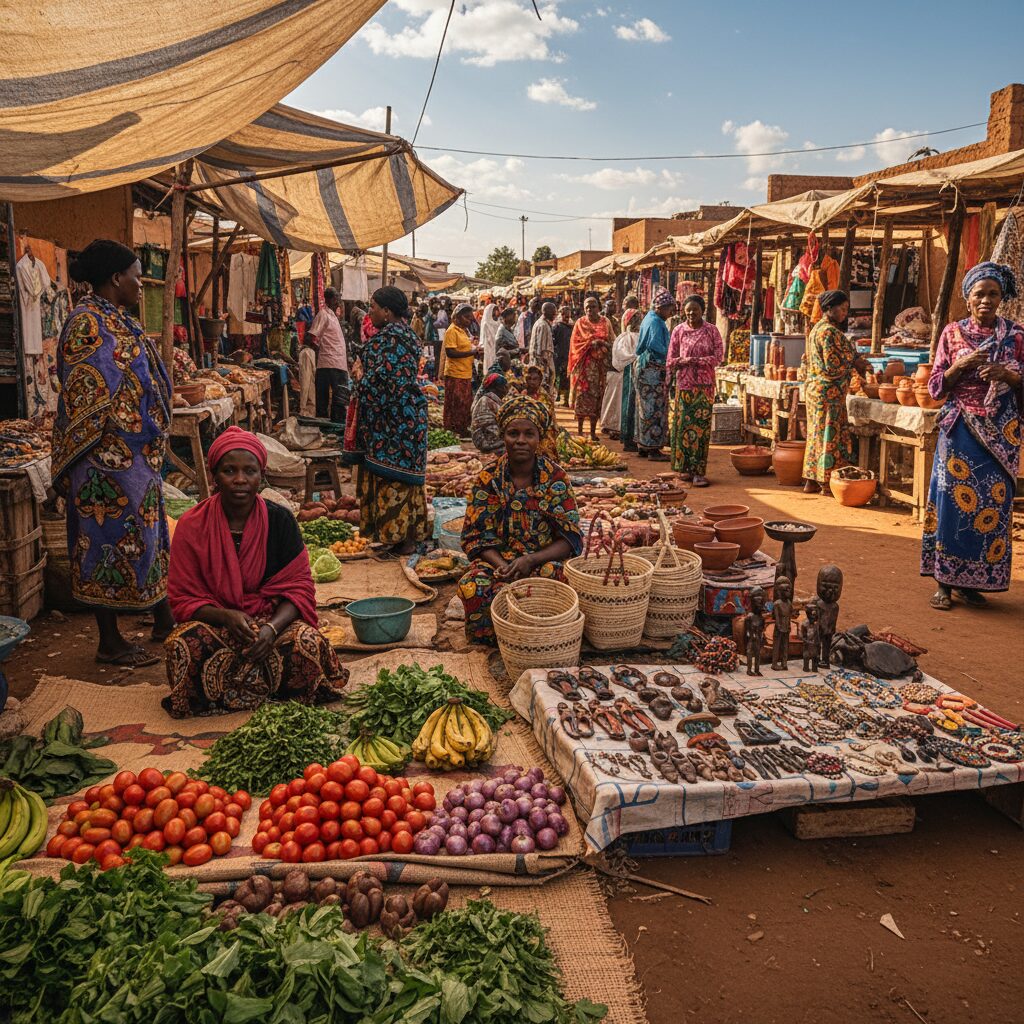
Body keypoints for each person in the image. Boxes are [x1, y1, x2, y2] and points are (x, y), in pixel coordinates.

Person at [163, 427, 347, 716]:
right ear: (215, 476)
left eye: (249, 471)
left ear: (261, 476)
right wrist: (226, 615)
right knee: (182, 645)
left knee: (306, 642)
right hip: (217, 622)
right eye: (229, 471)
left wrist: (271, 629)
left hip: (269, 622)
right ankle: (213, 699)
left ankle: (281, 696)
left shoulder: (280, 520)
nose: (239, 480)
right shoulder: (191, 525)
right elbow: (183, 597)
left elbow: (299, 588)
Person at [52, 239, 174, 667]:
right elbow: (89, 390)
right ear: (115, 278)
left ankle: (163, 618)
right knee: (105, 542)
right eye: (138, 278)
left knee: (150, 534)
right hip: (102, 460)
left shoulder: (115, 317)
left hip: (135, 456)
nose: (142, 286)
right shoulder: (86, 322)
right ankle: (109, 641)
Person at [922, 262, 1023, 611]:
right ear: (967, 299)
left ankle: (972, 582)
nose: (986, 300)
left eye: (993, 294)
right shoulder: (952, 334)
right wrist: (961, 366)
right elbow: (935, 387)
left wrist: (1006, 376)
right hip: (960, 432)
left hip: (1000, 439)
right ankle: (944, 584)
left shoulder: (1016, 336)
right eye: (979, 294)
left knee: (991, 508)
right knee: (952, 505)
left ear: (1001, 298)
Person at [458, 395, 583, 645]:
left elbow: (570, 537)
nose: (521, 441)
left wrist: (530, 560)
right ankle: (500, 640)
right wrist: (502, 565)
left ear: (540, 438)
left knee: (565, 583)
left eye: (529, 434)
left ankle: (546, 639)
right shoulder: (488, 478)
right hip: (498, 564)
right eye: (513, 433)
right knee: (474, 585)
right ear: (503, 435)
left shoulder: (555, 478)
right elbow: (475, 536)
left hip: (541, 561)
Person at [347, 287, 430, 553]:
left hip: (393, 426)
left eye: (373, 307)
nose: (370, 312)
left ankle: (400, 540)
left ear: (387, 311)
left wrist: (360, 376)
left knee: (393, 482)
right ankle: (405, 539)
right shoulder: (405, 335)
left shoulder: (390, 340)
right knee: (406, 483)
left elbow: (384, 383)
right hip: (407, 420)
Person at [801, 289, 871, 493]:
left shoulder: (817, 329)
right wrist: (854, 364)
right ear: (829, 308)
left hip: (816, 391)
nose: (844, 313)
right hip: (828, 394)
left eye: (847, 309)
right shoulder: (830, 332)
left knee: (816, 435)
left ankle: (810, 480)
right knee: (829, 437)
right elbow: (832, 366)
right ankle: (826, 482)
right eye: (842, 308)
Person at [666, 295, 724, 485]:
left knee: (701, 430)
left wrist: (697, 361)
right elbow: (671, 360)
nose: (691, 313)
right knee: (682, 427)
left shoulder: (711, 331)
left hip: (704, 388)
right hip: (684, 386)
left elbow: (718, 357)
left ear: (702, 311)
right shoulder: (678, 331)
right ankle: (683, 469)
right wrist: (684, 362)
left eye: (695, 310)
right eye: (688, 310)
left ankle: (698, 471)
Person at [633, 289, 676, 461]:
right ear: (660, 307)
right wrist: (673, 358)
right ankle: (653, 448)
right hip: (651, 370)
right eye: (669, 309)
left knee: (644, 408)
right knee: (654, 408)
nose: (671, 312)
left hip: (644, 368)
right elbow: (658, 347)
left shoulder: (650, 318)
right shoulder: (656, 322)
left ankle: (643, 445)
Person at [568, 296, 615, 439]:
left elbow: (612, 341)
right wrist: (590, 343)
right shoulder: (580, 323)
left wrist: (603, 344)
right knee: (582, 397)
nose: (590, 309)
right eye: (587, 307)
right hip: (584, 368)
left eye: (593, 306)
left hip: (601, 367)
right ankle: (581, 431)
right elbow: (575, 344)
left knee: (598, 397)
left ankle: (594, 432)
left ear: (598, 307)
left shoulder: (606, 322)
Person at [308, 287, 348, 423]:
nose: (338, 301)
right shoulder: (323, 314)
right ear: (329, 299)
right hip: (328, 362)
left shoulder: (332, 315)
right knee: (325, 398)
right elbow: (311, 336)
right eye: (336, 298)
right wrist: (320, 351)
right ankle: (323, 426)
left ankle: (335, 425)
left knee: (339, 398)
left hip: (337, 362)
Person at [603, 307, 640, 439]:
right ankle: (620, 429)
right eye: (635, 319)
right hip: (625, 375)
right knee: (622, 404)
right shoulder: (625, 338)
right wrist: (636, 358)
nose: (638, 322)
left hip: (629, 374)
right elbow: (621, 357)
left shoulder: (629, 337)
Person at [441, 303, 479, 435]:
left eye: (470, 318)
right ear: (458, 317)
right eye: (467, 318)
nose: (469, 321)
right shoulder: (451, 331)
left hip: (465, 372)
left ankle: (462, 427)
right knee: (456, 402)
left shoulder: (463, 331)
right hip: (455, 373)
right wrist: (472, 353)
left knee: (464, 402)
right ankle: (454, 428)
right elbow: (451, 352)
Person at [523, 364, 559, 460]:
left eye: (535, 379)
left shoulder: (545, 397)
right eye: (529, 379)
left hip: (542, 431)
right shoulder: (520, 395)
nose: (532, 382)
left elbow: (550, 419)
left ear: (540, 381)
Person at [470, 373, 509, 454]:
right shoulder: (486, 401)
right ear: (498, 388)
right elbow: (489, 430)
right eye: (505, 386)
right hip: (486, 442)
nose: (507, 389)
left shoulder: (490, 399)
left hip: (486, 440)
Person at [529, 301, 557, 392]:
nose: (555, 314)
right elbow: (542, 351)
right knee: (543, 391)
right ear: (546, 312)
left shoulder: (540, 323)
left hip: (539, 364)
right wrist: (546, 370)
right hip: (542, 366)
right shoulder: (543, 325)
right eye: (553, 312)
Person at [552, 304, 573, 405]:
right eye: (565, 315)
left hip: (568, 356)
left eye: (568, 316)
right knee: (557, 377)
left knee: (566, 378)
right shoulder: (556, 327)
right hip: (558, 357)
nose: (566, 317)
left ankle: (565, 400)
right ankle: (557, 397)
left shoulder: (571, 327)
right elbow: (553, 342)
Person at [297, 328, 317, 417]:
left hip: (311, 381)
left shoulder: (308, 352)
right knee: (307, 388)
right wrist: (302, 406)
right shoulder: (307, 352)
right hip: (309, 383)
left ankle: (306, 411)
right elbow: (305, 379)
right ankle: (304, 411)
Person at [479, 296, 500, 369]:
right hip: (489, 351)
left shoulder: (498, 323)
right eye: (495, 310)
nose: (497, 312)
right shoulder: (486, 324)